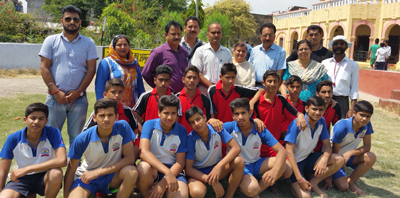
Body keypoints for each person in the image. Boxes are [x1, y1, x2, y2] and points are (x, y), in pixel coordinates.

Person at [39, 5, 99, 145]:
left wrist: (78, 91)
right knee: (50, 136)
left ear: (80, 22)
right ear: (61, 21)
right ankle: (51, 167)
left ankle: (75, 167)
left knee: (77, 138)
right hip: (55, 99)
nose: (72, 21)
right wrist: (56, 92)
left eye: (75, 19)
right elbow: (44, 68)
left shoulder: (88, 43)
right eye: (68, 19)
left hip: (79, 99)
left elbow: (91, 70)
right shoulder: (51, 41)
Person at [64, 98, 138, 198]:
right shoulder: (82, 138)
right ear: (94, 117)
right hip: (87, 178)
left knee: (132, 172)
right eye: (102, 115)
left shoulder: (123, 127)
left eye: (110, 115)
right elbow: (71, 171)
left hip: (112, 177)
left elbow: (129, 158)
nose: (106, 119)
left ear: (116, 117)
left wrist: (97, 172)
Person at [0, 103, 66, 198]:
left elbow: (62, 160)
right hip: (22, 179)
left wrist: (27, 169)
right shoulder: (13, 138)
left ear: (46, 121)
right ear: (25, 120)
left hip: (44, 177)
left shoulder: (53, 133)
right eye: (33, 118)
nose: (36, 122)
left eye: (41, 119)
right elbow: (3, 170)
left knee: (56, 173)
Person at [224, 98, 287, 198]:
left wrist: (274, 171)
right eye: (237, 114)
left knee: (283, 166)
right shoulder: (229, 127)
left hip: (256, 164)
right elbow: (209, 129)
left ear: (250, 113)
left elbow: (282, 151)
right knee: (252, 188)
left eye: (243, 113)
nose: (240, 117)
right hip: (240, 168)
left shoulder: (259, 128)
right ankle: (249, 190)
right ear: (232, 116)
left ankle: (255, 192)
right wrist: (211, 120)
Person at [284, 96, 344, 198]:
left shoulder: (322, 121)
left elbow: (328, 146)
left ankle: (314, 182)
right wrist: (300, 179)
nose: (317, 112)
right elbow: (289, 152)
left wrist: (324, 159)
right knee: (306, 197)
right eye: (314, 109)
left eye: (321, 109)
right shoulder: (297, 124)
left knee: (339, 160)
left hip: (307, 158)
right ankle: (293, 183)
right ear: (307, 109)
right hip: (293, 163)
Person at [185, 106, 244, 198]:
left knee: (239, 161)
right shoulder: (190, 139)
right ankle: (207, 183)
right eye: (192, 122)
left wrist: (219, 166)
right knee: (197, 192)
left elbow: (236, 148)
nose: (196, 124)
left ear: (204, 118)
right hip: (199, 173)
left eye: (198, 119)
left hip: (217, 169)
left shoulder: (217, 128)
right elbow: (189, 170)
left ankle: (229, 196)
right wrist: (211, 180)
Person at [207, 63, 265, 157]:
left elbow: (261, 90)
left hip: (235, 131)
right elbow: (212, 112)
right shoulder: (212, 90)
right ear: (220, 77)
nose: (230, 80)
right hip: (219, 129)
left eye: (233, 77)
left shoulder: (238, 89)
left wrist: (252, 102)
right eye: (227, 77)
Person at [137, 95, 189, 198]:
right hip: (153, 168)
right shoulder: (149, 125)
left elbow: (180, 162)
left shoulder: (182, 131)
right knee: (143, 168)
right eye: (166, 113)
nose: (169, 117)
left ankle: (164, 191)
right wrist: (166, 172)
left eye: (173, 113)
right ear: (159, 113)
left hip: (173, 170)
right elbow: (143, 152)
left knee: (180, 196)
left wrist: (164, 181)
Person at [253, 70, 307, 158]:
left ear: (279, 84)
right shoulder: (256, 102)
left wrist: (300, 115)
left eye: (275, 81)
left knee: (287, 169)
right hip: (258, 145)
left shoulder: (281, 100)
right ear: (263, 83)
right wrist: (255, 119)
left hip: (277, 145)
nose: (272, 84)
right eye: (269, 81)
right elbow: (249, 121)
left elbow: (294, 115)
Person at [83, 78, 139, 159]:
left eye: (120, 92)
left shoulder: (128, 111)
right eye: (113, 92)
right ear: (105, 94)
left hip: (123, 152)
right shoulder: (98, 113)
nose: (117, 95)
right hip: (103, 154)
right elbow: (85, 133)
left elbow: (135, 129)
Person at [329, 101, 376, 196]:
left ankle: (351, 182)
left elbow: (367, 146)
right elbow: (334, 153)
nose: (365, 119)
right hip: (334, 158)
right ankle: (338, 175)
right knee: (343, 187)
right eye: (362, 115)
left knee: (371, 157)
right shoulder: (342, 126)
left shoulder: (367, 124)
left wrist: (350, 153)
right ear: (354, 113)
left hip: (347, 156)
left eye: (368, 116)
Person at [134, 65, 182, 151]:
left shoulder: (175, 100)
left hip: (168, 139)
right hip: (147, 137)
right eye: (160, 80)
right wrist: (145, 136)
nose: (163, 83)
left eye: (166, 80)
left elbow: (176, 121)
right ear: (155, 80)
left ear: (170, 82)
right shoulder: (145, 96)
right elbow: (137, 120)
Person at [95, 35, 145, 108]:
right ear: (113, 47)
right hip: (112, 106)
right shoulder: (106, 62)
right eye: (119, 45)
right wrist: (102, 106)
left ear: (129, 47)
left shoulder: (134, 63)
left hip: (133, 107)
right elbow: (100, 86)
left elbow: (140, 86)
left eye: (125, 45)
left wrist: (142, 106)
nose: (122, 47)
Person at [142, 20, 189, 93]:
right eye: (173, 34)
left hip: (183, 95)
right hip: (166, 96)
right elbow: (146, 73)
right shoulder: (158, 52)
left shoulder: (184, 52)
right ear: (166, 35)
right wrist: (160, 88)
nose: (176, 37)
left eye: (179, 34)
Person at [322, 35, 359, 119]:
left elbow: (354, 88)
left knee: (341, 128)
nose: (339, 46)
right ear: (332, 46)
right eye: (336, 44)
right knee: (323, 127)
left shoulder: (353, 65)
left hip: (342, 101)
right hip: (326, 99)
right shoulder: (325, 63)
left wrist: (352, 109)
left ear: (346, 46)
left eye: (342, 43)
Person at [190, 23, 233, 94]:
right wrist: (212, 87)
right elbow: (197, 72)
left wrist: (220, 88)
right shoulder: (200, 51)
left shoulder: (227, 52)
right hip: (204, 91)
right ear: (208, 35)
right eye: (213, 32)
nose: (216, 35)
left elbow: (230, 73)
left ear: (221, 35)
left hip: (222, 91)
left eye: (218, 32)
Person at [176, 66, 220, 133]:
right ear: (183, 79)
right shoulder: (176, 99)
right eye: (189, 77)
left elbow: (207, 121)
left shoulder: (205, 100)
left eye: (194, 78)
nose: (192, 80)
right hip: (180, 139)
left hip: (199, 139)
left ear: (198, 80)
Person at [250, 23, 286, 88]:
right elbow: (250, 68)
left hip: (270, 88)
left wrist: (275, 91)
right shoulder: (254, 50)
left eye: (270, 35)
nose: (267, 38)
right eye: (265, 35)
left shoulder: (281, 52)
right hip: (253, 86)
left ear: (274, 36)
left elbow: (279, 74)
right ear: (260, 36)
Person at [314, 80, 342, 152]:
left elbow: (337, 127)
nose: (327, 95)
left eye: (329, 92)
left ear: (332, 93)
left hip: (324, 143)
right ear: (317, 93)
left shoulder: (335, 107)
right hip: (310, 143)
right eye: (323, 92)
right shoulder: (312, 107)